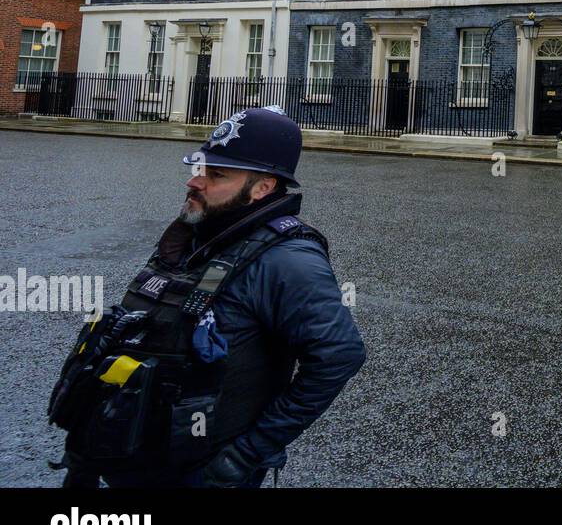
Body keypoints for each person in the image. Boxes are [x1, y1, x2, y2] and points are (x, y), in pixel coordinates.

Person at [50, 106, 365, 488]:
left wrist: (247, 453)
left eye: (216, 174)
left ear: (262, 188)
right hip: (131, 452)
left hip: (203, 468)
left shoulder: (289, 259)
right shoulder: (198, 230)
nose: (196, 181)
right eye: (198, 168)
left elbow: (338, 355)